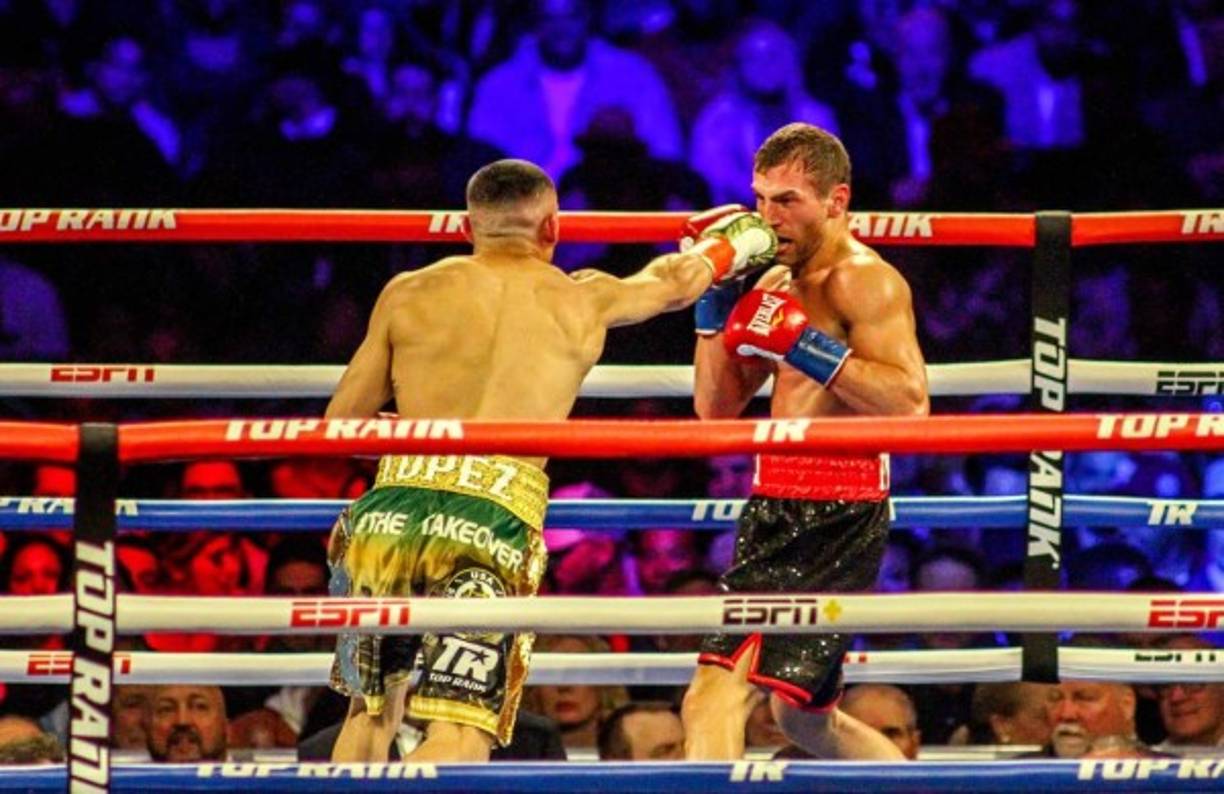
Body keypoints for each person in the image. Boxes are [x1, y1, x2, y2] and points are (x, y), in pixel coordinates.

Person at [324, 157, 776, 764]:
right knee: (458, 728)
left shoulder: (407, 292)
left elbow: (339, 428)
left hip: (392, 508)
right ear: (552, 229)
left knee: (370, 715)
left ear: (467, 227)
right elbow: (674, 282)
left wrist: (424, 438)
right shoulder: (581, 298)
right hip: (489, 520)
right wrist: (732, 246)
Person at [683, 122, 928, 761]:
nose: (769, 217)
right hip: (773, 497)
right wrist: (713, 304)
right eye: (760, 199)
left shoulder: (864, 281)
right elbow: (714, 411)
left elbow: (909, 406)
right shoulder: (771, 284)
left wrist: (806, 347)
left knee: (714, 692)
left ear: (836, 201)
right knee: (802, 719)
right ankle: (912, 785)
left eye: (787, 200)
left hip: (836, 507)